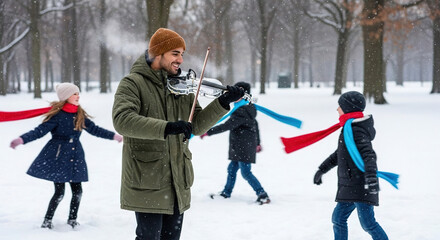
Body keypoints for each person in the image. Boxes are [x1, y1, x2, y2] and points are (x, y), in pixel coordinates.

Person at [112, 28, 244, 240]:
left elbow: (198, 125)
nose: (181, 59)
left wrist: (222, 103)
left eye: (182, 54)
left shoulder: (181, 86)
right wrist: (167, 127)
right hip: (148, 179)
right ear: (158, 53)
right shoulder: (133, 83)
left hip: (177, 181)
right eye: (175, 53)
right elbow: (122, 121)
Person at [9, 82, 123, 229]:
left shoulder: (79, 114)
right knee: (59, 192)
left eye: (78, 93)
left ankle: (72, 220)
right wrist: (22, 139)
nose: (78, 96)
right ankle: (47, 221)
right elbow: (39, 131)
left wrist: (114, 136)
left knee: (78, 191)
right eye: (74, 93)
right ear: (65, 97)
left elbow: (95, 129)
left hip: (76, 155)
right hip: (59, 156)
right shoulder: (57, 115)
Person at [313, 91, 388, 240]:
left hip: (361, 185)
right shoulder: (348, 128)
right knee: (338, 219)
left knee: (368, 224)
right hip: (350, 185)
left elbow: (369, 155)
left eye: (339, 106)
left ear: (348, 108)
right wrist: (322, 169)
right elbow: (339, 154)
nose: (337, 109)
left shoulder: (356, 130)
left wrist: (371, 177)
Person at [200, 82, 270, 205]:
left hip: (243, 146)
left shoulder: (242, 110)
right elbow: (255, 125)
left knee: (246, 172)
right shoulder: (248, 107)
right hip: (242, 146)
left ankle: (262, 194)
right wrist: (257, 143)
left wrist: (208, 131)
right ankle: (226, 193)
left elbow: (227, 125)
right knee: (232, 169)